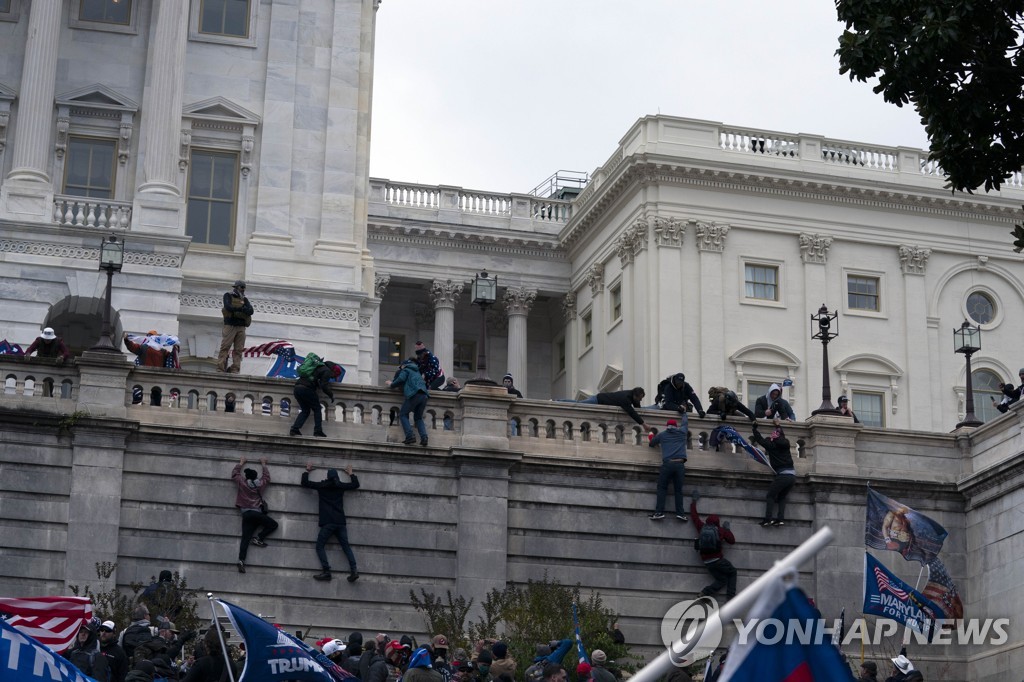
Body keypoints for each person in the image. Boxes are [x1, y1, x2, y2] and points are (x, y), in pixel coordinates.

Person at [302, 462, 361, 583]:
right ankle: (354, 570)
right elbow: (356, 484)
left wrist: (307, 471)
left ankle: (327, 571)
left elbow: (305, 483)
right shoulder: (340, 486)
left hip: (328, 522)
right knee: (346, 547)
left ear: (328, 476)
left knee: (319, 546)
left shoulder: (322, 486)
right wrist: (351, 473)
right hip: (340, 522)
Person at [231, 456, 277, 573]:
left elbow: (235, 474)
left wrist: (241, 463)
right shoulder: (260, 484)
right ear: (256, 476)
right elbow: (267, 477)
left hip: (246, 514)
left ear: (246, 477)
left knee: (245, 539)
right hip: (257, 514)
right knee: (273, 525)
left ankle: (241, 560)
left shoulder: (242, 483)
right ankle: (259, 538)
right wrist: (263, 464)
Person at [690, 491, 737, 600]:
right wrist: (727, 529)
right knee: (733, 572)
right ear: (718, 522)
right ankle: (731, 599)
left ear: (707, 521)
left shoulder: (701, 527)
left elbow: (694, 516)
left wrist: (693, 502)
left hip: (707, 562)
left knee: (722, 580)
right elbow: (732, 541)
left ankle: (704, 592)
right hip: (718, 560)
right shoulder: (720, 530)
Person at [750, 420, 796, 527]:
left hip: (783, 475)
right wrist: (778, 425)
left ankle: (768, 519)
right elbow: (781, 433)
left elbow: (760, 440)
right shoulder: (786, 443)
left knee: (770, 495)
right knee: (782, 497)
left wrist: (754, 429)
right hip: (792, 476)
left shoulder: (771, 446)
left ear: (772, 439)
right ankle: (780, 519)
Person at [648, 418, 689, 521]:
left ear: (667, 426)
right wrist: (684, 413)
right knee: (678, 490)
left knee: (662, 488)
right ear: (676, 426)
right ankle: (680, 513)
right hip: (680, 464)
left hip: (668, 464)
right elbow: (685, 423)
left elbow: (652, 443)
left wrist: (651, 434)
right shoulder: (682, 432)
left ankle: (659, 512)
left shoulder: (663, 435)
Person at [290, 359, 342, 437]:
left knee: (305, 410)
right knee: (317, 409)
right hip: (306, 389)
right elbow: (324, 386)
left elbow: (315, 380)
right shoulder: (327, 371)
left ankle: (294, 429)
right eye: (334, 376)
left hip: (297, 388)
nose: (332, 377)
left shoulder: (318, 366)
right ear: (334, 372)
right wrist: (331, 395)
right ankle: (318, 430)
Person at [389, 356, 430, 446]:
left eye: (400, 367)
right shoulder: (417, 371)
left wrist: (391, 384)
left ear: (403, 365)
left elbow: (401, 379)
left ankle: (410, 436)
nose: (400, 368)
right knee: (418, 418)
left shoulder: (406, 370)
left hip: (414, 394)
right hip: (424, 395)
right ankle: (424, 438)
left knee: (403, 414)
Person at [218, 280, 253, 373]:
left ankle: (235, 369)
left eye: (244, 288)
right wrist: (241, 309)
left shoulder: (244, 299)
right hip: (230, 325)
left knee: (239, 350)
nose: (243, 290)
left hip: (241, 327)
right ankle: (220, 368)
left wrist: (242, 309)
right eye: (241, 287)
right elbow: (228, 307)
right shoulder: (228, 295)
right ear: (236, 287)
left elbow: (250, 311)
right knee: (225, 347)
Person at [575, 387, 649, 429]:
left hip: (600, 401)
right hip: (598, 400)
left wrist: (642, 416)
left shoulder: (632, 396)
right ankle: (563, 401)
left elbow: (637, 408)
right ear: (635, 396)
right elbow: (631, 412)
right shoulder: (625, 398)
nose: (640, 400)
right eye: (640, 398)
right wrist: (643, 423)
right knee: (578, 404)